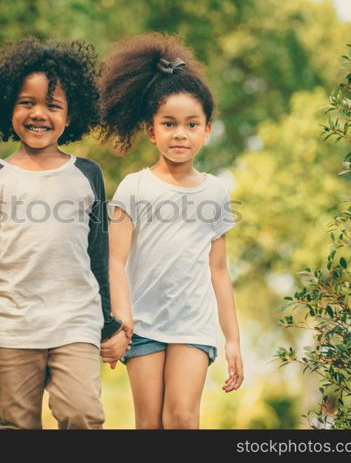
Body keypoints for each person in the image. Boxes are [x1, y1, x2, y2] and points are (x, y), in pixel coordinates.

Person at [0, 37, 125, 429]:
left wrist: (108, 323)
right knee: (16, 426)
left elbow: (98, 254)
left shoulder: (87, 174)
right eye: (26, 102)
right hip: (11, 328)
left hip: (75, 323)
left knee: (83, 415)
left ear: (70, 114)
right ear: (7, 107)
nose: (38, 113)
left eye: (53, 105)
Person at [98, 33, 244, 429]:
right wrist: (122, 319)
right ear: (151, 130)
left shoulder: (215, 191)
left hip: (192, 323)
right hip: (141, 324)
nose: (180, 133)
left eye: (191, 124)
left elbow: (219, 272)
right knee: (149, 424)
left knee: (181, 418)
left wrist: (232, 339)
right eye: (169, 124)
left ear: (207, 130)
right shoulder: (134, 186)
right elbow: (115, 259)